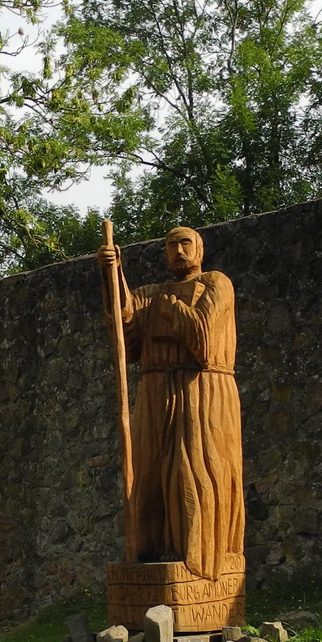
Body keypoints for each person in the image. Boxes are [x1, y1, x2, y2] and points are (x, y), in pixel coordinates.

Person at [98, 226, 245, 581]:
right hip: (155, 389)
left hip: (203, 388)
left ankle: (201, 563)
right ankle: (154, 555)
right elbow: (126, 325)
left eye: (185, 243)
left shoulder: (215, 283)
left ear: (199, 250)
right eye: (171, 245)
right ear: (164, 253)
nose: (178, 250)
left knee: (196, 468)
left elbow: (204, 338)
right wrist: (112, 273)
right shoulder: (152, 293)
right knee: (150, 469)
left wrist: (172, 310)